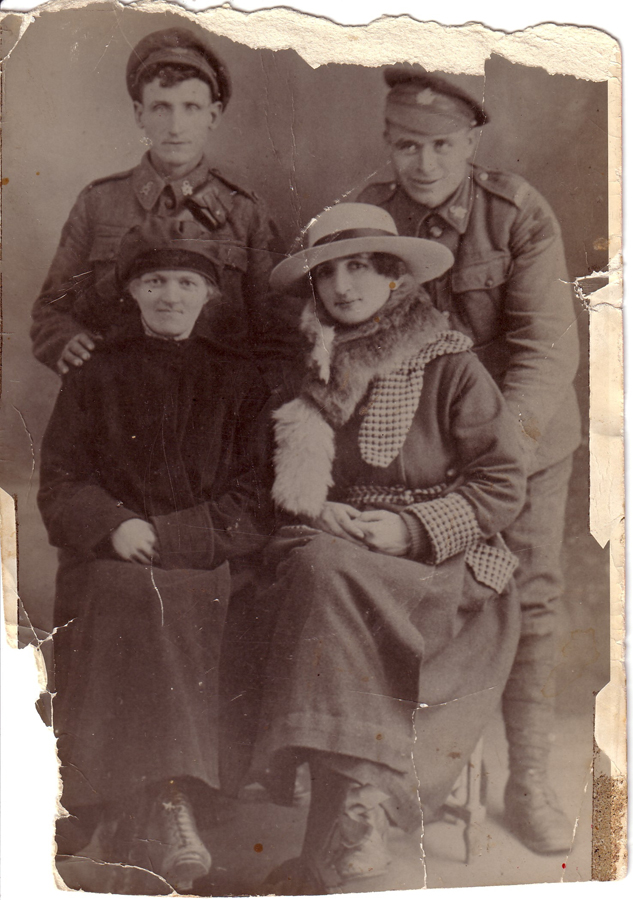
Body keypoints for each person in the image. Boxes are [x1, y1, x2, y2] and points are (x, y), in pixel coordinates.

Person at [252, 203, 526, 890]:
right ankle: (355, 819)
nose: (343, 286)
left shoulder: (448, 364)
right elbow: (273, 484)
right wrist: (327, 511)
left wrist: (411, 529)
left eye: (360, 268)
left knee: (322, 580)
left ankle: (351, 826)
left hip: (438, 574)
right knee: (313, 569)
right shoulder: (306, 371)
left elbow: (500, 485)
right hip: (337, 554)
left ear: (395, 277)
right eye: (328, 274)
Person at [357, 69, 581, 854]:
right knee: (407, 590)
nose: (423, 164)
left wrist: (498, 452)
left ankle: (526, 779)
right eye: (406, 145)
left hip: (522, 442)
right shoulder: (367, 218)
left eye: (441, 146)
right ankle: (387, 783)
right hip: (413, 451)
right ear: (387, 143)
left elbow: (546, 347)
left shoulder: (514, 212)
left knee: (534, 595)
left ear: (470, 143)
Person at [38, 218, 272, 893]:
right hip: (112, 559)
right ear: (135, 290)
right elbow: (60, 481)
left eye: (187, 283)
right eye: (157, 281)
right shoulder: (94, 375)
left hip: (207, 560)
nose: (171, 295)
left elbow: (255, 498)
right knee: (124, 592)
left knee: (175, 596)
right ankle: (152, 803)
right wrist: (112, 526)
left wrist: (171, 537)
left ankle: (153, 803)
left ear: (208, 296)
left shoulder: (239, 379)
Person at [31, 26, 281, 377]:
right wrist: (65, 339)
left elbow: (276, 329)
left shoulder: (246, 212)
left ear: (213, 115)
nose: (175, 126)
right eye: (161, 108)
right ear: (139, 114)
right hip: (117, 401)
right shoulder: (99, 203)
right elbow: (51, 311)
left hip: (214, 407)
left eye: (191, 107)